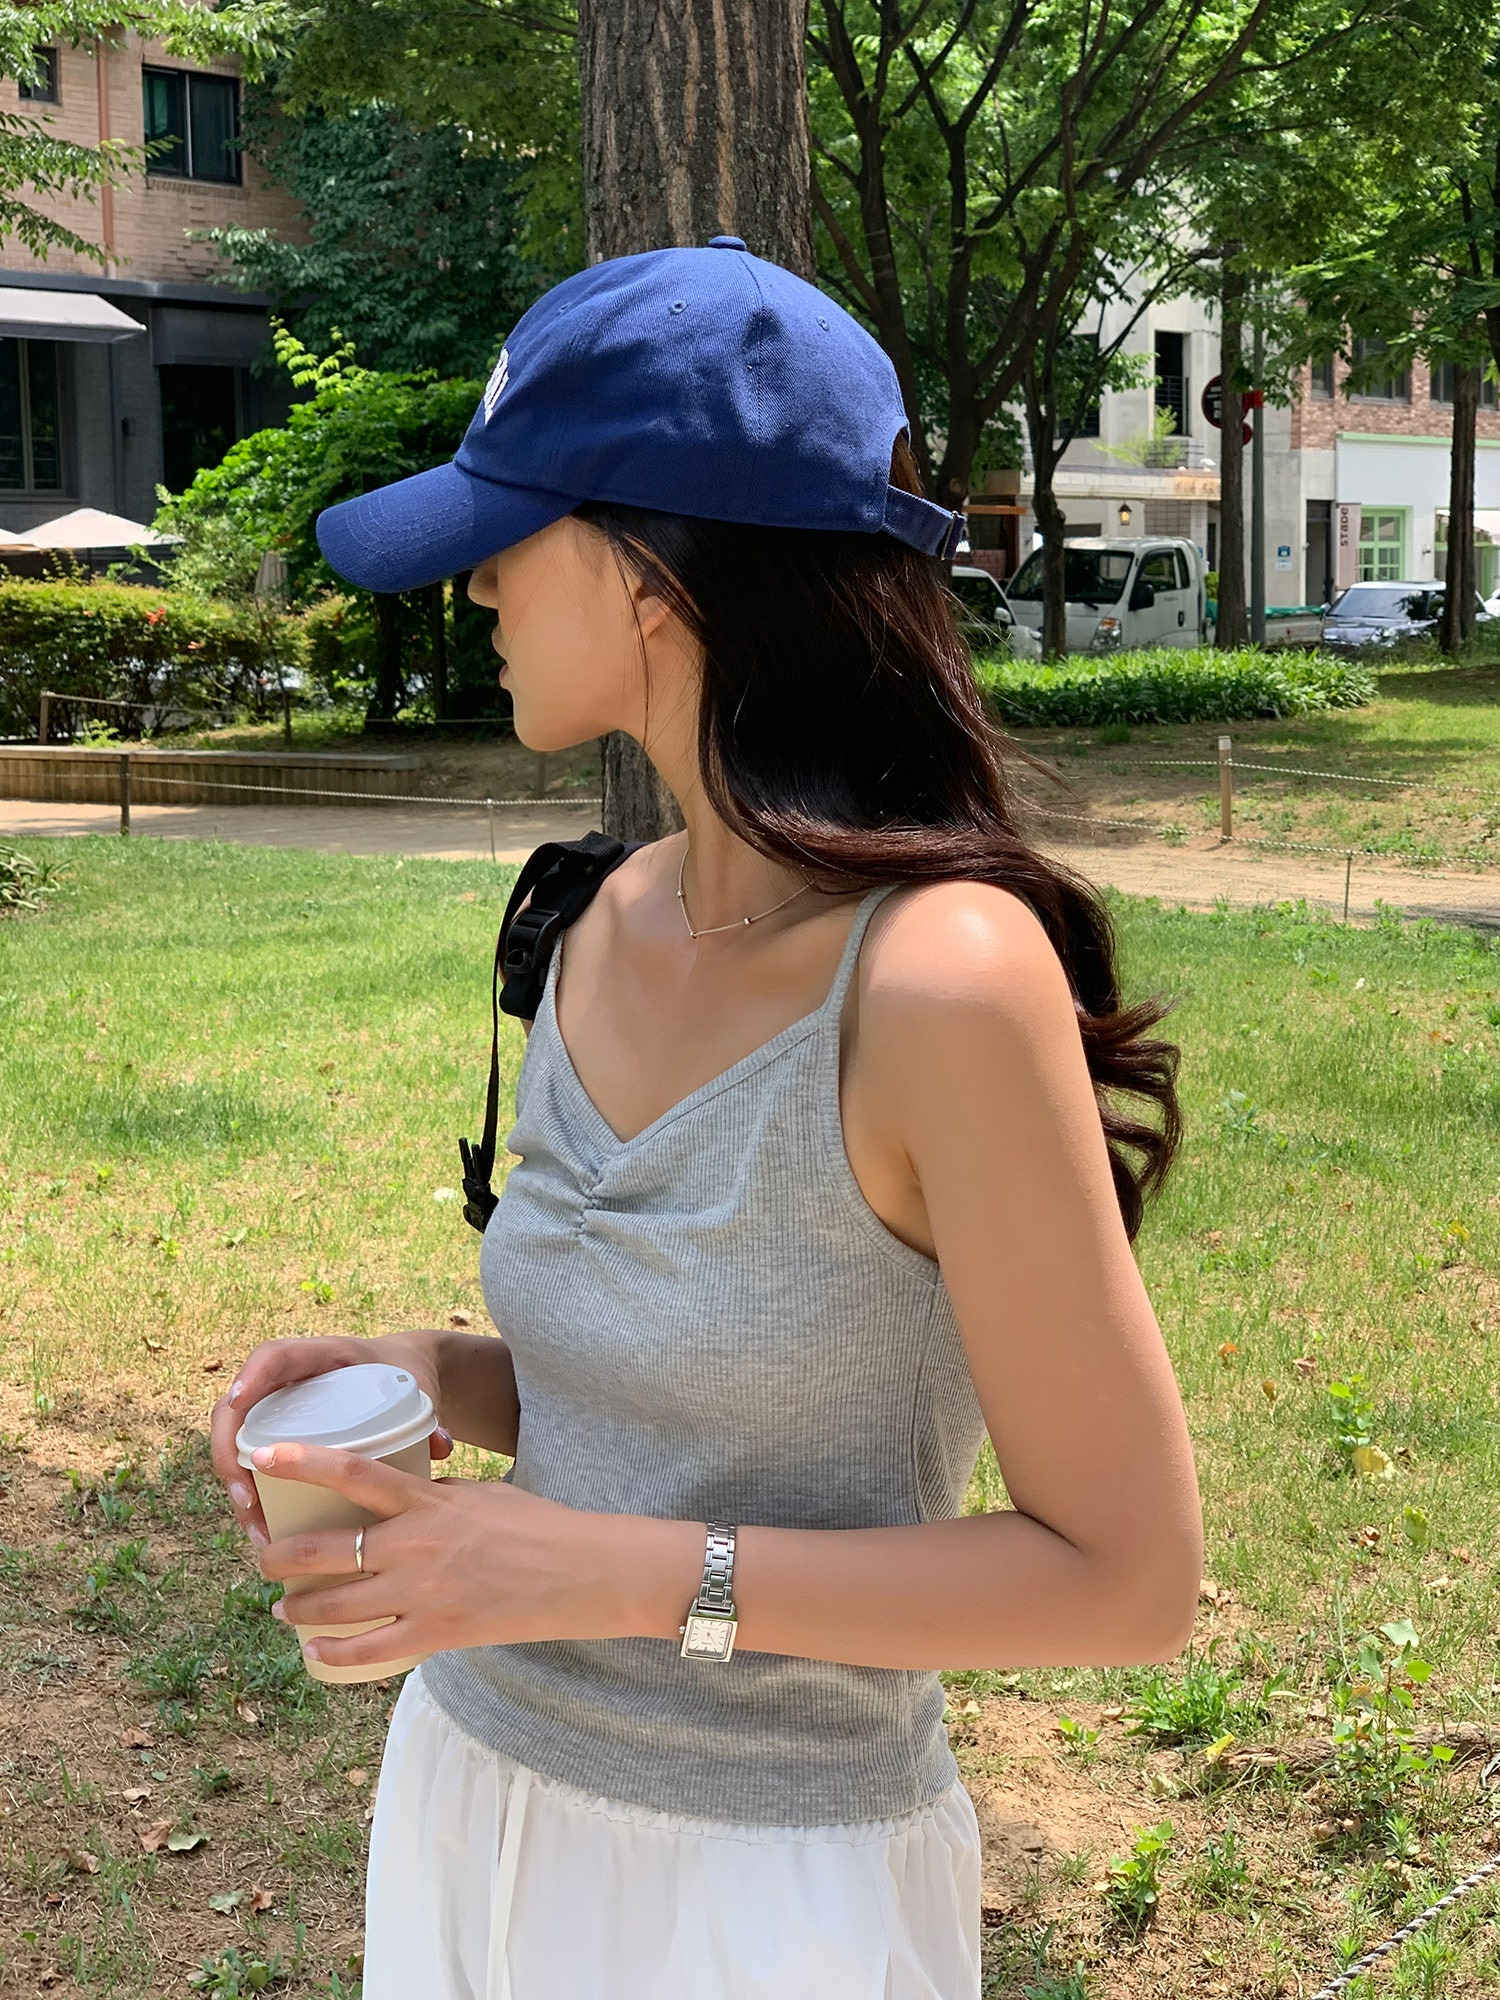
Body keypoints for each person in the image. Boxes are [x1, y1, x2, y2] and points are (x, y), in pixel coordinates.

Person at [211, 237, 1202, 2000]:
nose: (476, 582)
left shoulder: (942, 981)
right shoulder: (600, 917)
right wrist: (433, 1375)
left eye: (508, 529)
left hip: (763, 1890)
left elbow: (1123, 1580)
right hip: (470, 1790)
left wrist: (599, 1574)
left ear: (651, 574)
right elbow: (687, 1413)